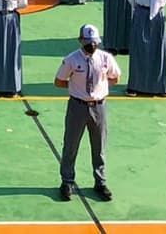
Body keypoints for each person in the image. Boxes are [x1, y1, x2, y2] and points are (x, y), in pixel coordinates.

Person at [54, 24, 121, 202]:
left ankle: (100, 182)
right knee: (71, 145)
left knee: (99, 146)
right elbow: (59, 81)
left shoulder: (106, 58)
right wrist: (77, 89)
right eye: (88, 43)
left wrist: (100, 89)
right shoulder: (71, 60)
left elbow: (115, 77)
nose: (91, 46)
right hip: (78, 106)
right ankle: (67, 181)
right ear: (81, 41)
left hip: (99, 106)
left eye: (94, 43)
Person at [126, 0, 166, 96]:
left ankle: (159, 87)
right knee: (139, 50)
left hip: (158, 17)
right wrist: (141, 10)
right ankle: (135, 86)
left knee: (158, 51)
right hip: (141, 14)